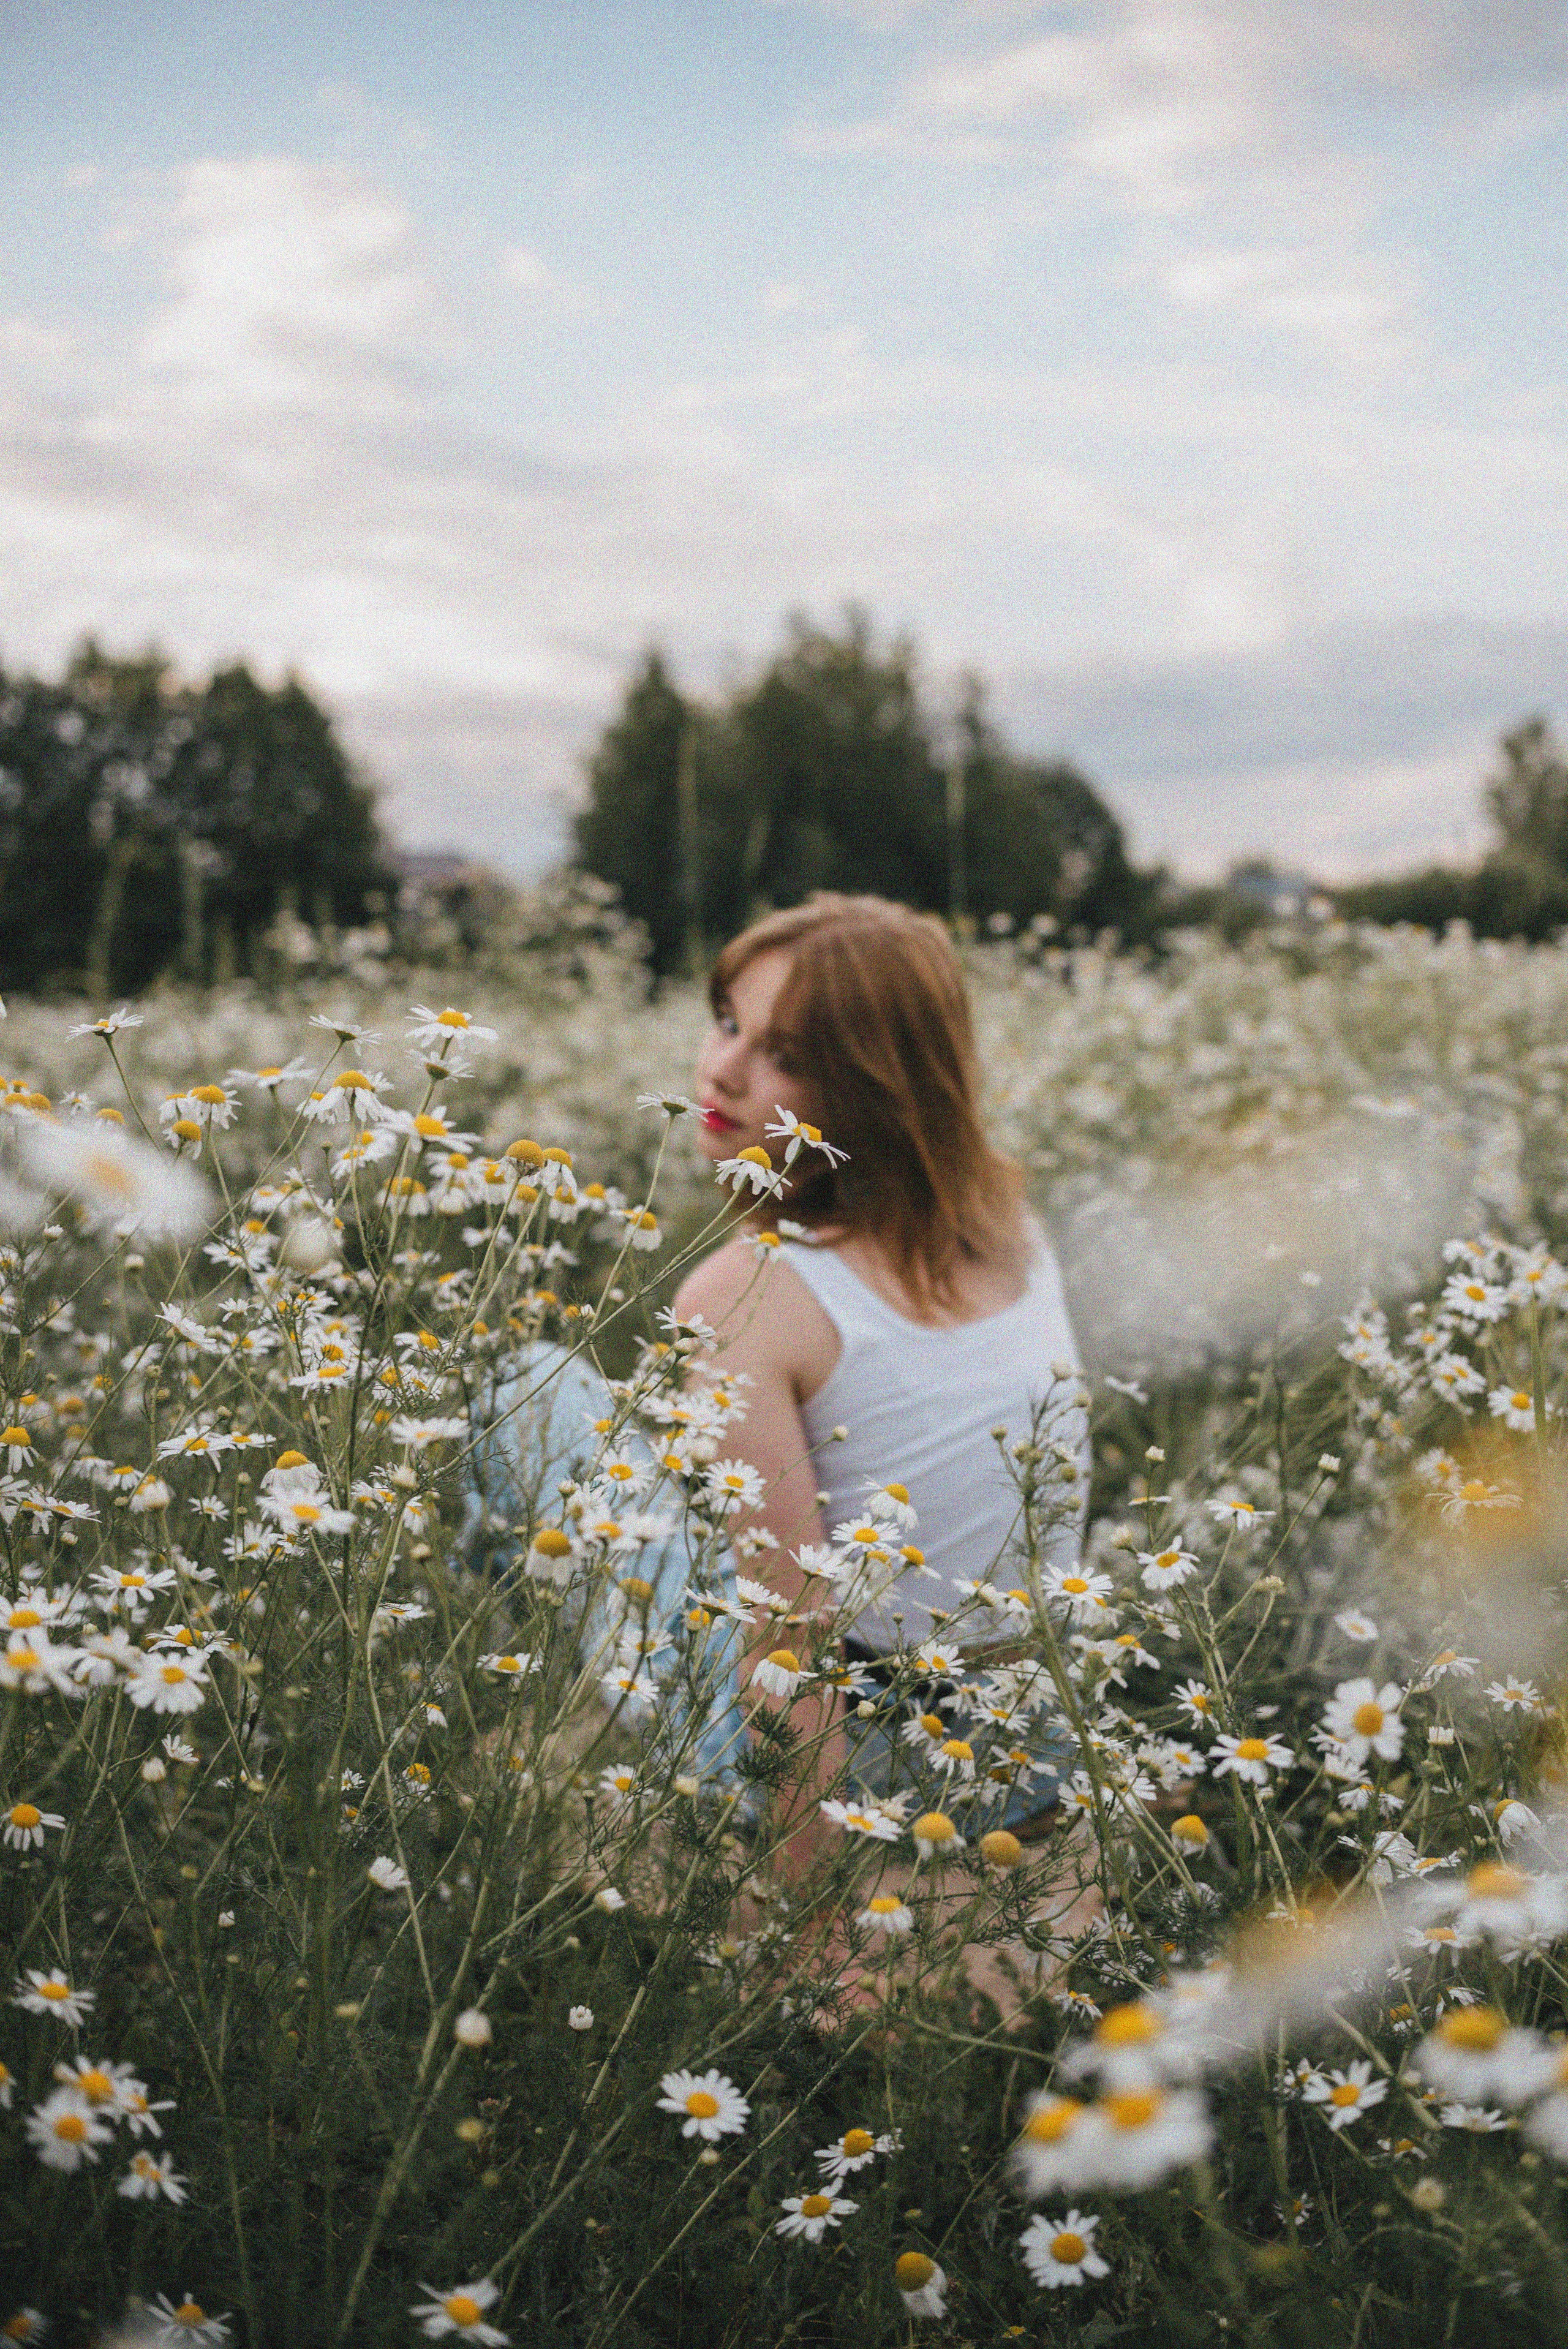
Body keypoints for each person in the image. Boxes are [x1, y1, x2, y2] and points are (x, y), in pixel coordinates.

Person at [672, 894, 1088, 1901]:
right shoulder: (1008, 1226)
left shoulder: (746, 1293)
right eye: (729, 1021)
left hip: (885, 1771)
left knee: (530, 1415)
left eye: (786, 1055)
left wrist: (809, 1931)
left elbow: (788, 1639)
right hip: (1027, 1745)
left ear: (873, 1091)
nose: (720, 1071)